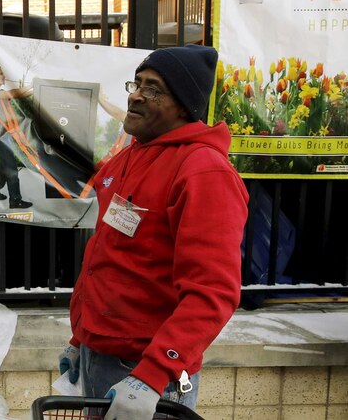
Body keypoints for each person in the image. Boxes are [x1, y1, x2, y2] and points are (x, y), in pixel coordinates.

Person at [58, 45, 249, 420]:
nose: (136, 95)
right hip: (102, 358)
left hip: (146, 373)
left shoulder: (203, 172)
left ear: (183, 105)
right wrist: (81, 338)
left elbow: (213, 293)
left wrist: (152, 376)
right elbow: (113, 256)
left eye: (154, 88)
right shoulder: (132, 156)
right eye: (137, 83)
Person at [0, 63, 33, 208]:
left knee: (5, 165)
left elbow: (20, 95)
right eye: (0, 73)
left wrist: (36, 90)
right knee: (11, 168)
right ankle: (15, 201)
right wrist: (31, 86)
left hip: (5, 136)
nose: (3, 76)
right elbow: (15, 93)